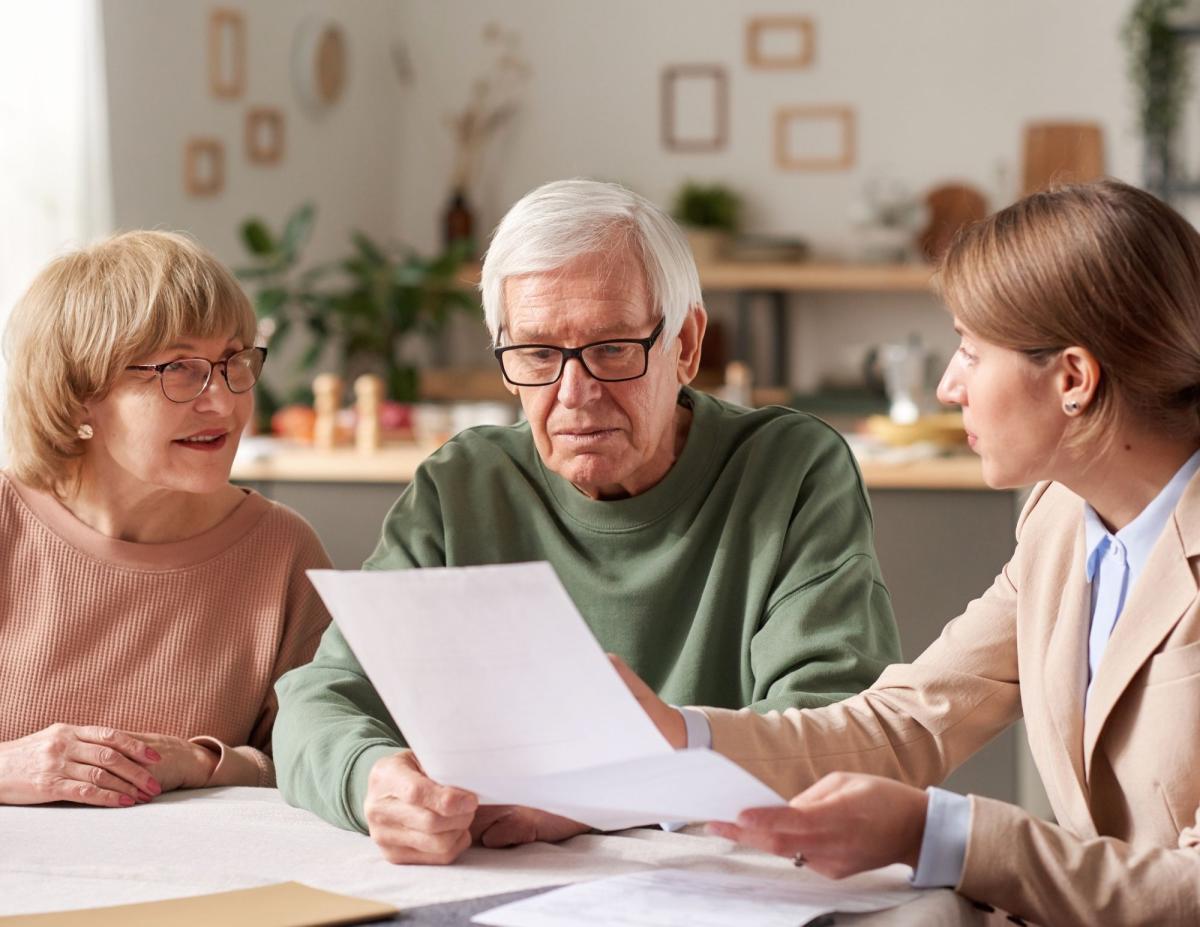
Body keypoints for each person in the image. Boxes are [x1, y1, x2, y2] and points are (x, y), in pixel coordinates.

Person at [616, 179, 1200, 926]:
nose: (949, 385)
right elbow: (907, 723)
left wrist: (945, 835)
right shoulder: (1061, 519)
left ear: (1074, 379)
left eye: (969, 351)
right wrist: (680, 735)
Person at [273, 179, 901, 864]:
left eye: (611, 348)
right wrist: (372, 780)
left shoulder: (791, 469)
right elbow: (316, 701)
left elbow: (836, 735)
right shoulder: (464, 486)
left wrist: (601, 799)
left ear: (686, 344)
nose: (575, 395)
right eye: (539, 355)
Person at [0, 231, 331, 808]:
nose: (224, 403)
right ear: (79, 392)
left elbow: (328, 761)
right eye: (180, 369)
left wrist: (203, 762)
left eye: (233, 361)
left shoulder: (282, 548)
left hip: (206, 888)